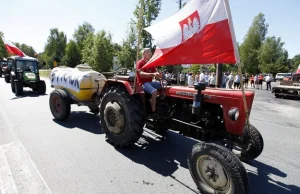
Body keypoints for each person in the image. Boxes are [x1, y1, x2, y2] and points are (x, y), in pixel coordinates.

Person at [136, 48, 161, 118]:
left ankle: (161, 101)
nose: (150, 53)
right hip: (143, 83)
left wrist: (158, 74)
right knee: (154, 91)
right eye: (148, 52)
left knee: (163, 85)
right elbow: (141, 73)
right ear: (143, 54)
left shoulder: (150, 63)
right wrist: (153, 74)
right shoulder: (140, 62)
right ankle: (153, 111)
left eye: (150, 52)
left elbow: (155, 71)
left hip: (150, 82)